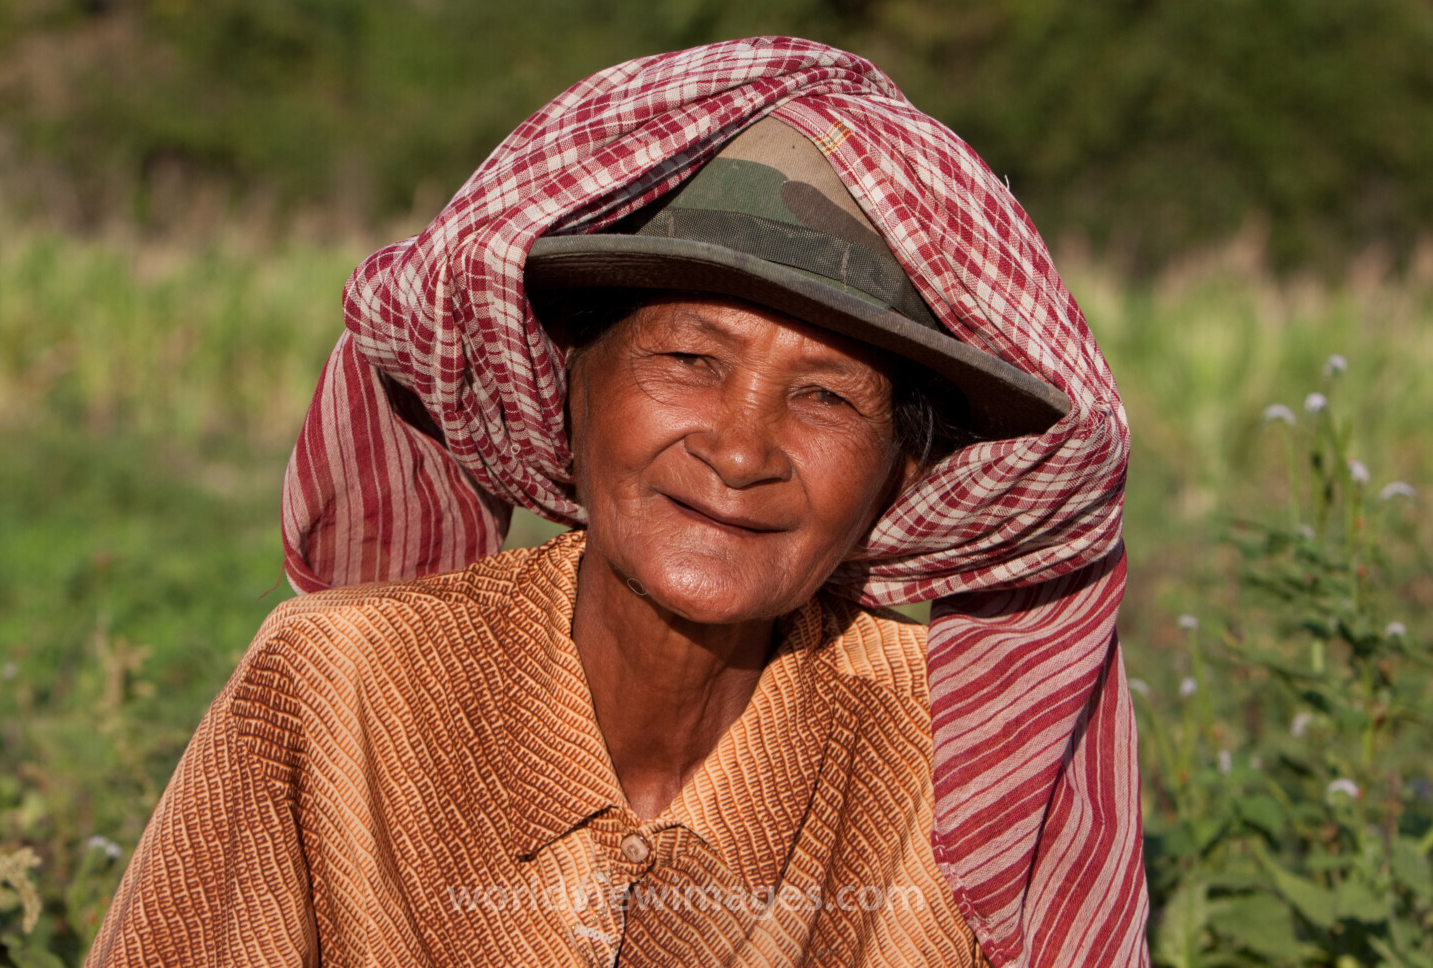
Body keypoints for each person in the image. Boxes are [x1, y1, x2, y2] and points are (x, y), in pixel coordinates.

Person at [87, 38, 1144, 968]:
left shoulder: (946, 768)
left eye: (827, 397)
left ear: (898, 475)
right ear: (566, 391)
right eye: (689, 358)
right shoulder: (339, 692)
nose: (740, 449)